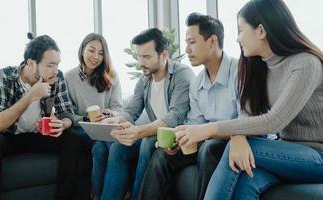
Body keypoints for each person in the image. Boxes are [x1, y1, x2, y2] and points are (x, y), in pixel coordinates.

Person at [174, 1, 323, 200]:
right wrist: (238, 137)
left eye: (241, 30)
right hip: (286, 152)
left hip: (317, 155)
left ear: (261, 30)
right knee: (246, 178)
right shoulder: (259, 66)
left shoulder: (305, 63)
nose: (237, 38)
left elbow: (274, 121)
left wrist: (208, 130)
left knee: (233, 153)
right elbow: (248, 113)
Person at [139, 13, 239, 200]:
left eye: (192, 42)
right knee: (161, 155)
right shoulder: (197, 82)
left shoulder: (239, 73)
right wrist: (179, 139)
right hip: (204, 142)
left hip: (233, 142)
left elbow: (246, 122)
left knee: (209, 148)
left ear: (212, 41)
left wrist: (203, 133)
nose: (187, 49)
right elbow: (195, 121)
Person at [0, 35, 83, 200]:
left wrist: (62, 124)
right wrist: (31, 95)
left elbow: (67, 112)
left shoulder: (57, 77)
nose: (55, 70)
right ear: (30, 63)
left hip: (38, 136)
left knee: (73, 138)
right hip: (9, 137)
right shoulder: (4, 76)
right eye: (50, 65)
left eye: (57, 64)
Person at [100, 28, 194, 200]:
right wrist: (115, 120)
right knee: (117, 148)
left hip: (178, 137)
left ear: (164, 54)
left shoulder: (181, 75)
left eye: (147, 57)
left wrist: (139, 132)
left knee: (147, 142)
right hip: (155, 134)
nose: (140, 62)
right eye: (139, 56)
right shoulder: (144, 81)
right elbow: (131, 111)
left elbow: (175, 117)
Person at [64, 33, 123, 200]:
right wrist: (87, 119)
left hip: (105, 128)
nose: (96, 57)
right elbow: (67, 113)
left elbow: (118, 108)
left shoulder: (111, 75)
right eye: (92, 50)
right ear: (82, 49)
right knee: (102, 145)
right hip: (81, 129)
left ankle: (96, 195)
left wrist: (111, 113)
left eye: (101, 53)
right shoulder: (68, 77)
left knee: (100, 147)